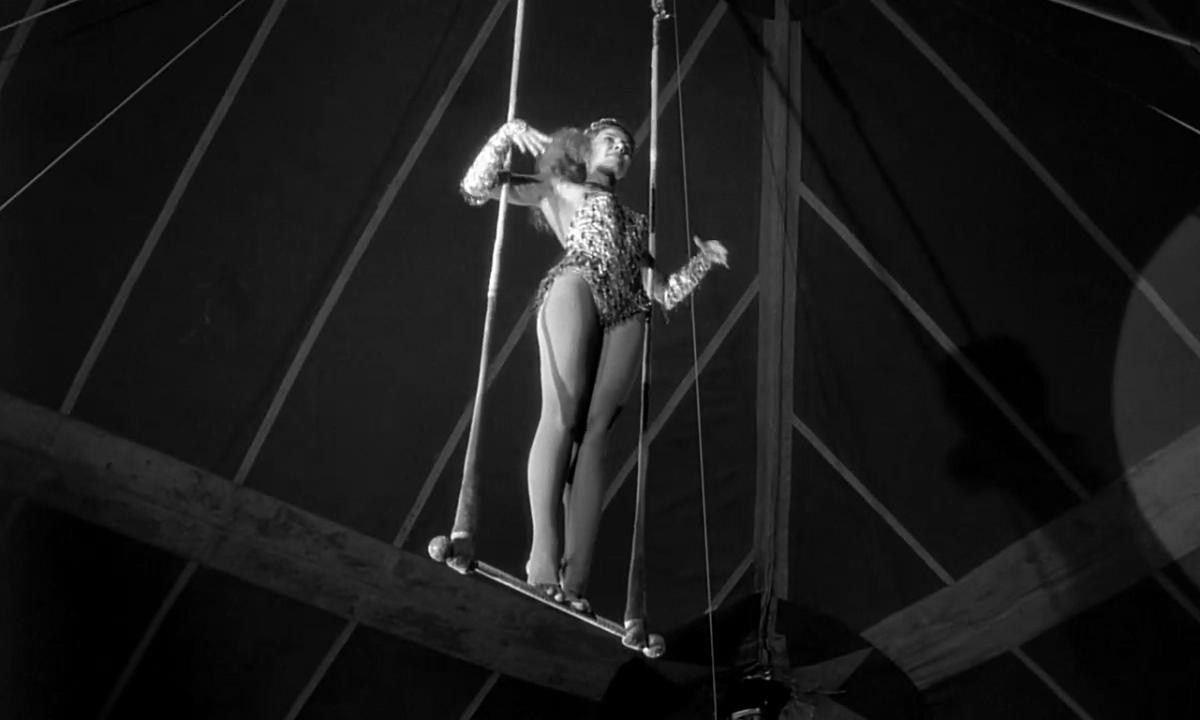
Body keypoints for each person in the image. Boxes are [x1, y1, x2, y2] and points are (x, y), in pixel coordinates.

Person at [459, 117, 728, 617]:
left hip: (627, 310)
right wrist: (505, 135)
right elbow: (476, 188)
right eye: (611, 141)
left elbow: (663, 292)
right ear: (585, 147)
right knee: (561, 418)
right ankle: (542, 566)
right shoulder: (558, 186)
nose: (621, 150)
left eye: (627, 147)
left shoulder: (636, 222)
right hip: (578, 282)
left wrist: (702, 263)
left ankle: (575, 581)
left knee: (596, 437)